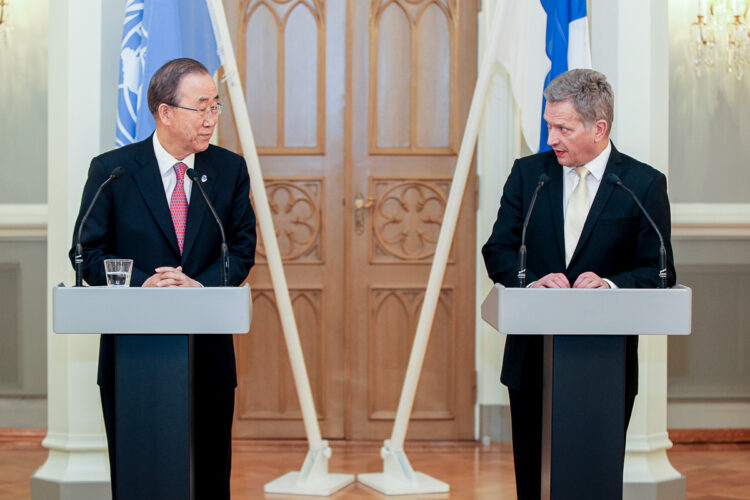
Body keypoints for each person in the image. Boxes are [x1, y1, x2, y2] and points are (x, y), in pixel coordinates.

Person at [481, 69, 676, 499]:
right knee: (533, 481)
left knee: (592, 479)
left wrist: (609, 284)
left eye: (562, 128)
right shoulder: (529, 175)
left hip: (605, 365)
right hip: (532, 358)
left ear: (598, 128)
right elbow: (498, 249)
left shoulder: (642, 184)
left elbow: (659, 270)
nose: (551, 137)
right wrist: (531, 281)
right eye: (549, 124)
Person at [69, 58, 256, 499]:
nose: (211, 119)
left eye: (216, 107)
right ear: (165, 112)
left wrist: (199, 286)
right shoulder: (112, 171)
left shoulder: (228, 170)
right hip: (132, 356)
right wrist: (142, 283)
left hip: (206, 351)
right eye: (201, 108)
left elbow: (242, 248)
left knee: (209, 474)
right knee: (138, 473)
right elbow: (85, 253)